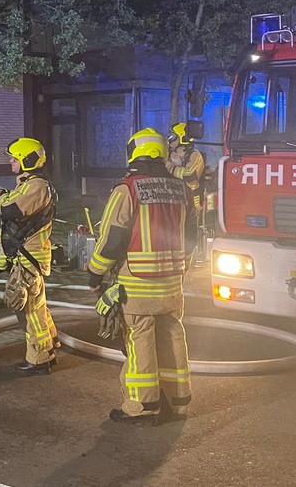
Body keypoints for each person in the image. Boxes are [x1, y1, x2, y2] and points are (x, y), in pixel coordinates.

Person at [88, 128, 195, 424]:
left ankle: (142, 406)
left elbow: (112, 238)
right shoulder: (182, 189)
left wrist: (94, 273)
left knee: (141, 341)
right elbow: (192, 237)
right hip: (172, 283)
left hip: (138, 284)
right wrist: (181, 267)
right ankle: (177, 401)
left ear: (134, 151)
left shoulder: (128, 189)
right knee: (172, 337)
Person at [0, 137, 58, 375]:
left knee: (30, 310)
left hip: (29, 257)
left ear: (27, 160)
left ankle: (39, 358)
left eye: (14, 158)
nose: (11, 162)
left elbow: (11, 210)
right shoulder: (30, 184)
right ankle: (49, 346)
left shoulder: (36, 186)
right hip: (28, 255)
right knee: (35, 306)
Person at [167, 122, 205, 212]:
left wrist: (170, 168)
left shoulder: (195, 155)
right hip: (176, 197)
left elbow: (189, 174)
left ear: (182, 138)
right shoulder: (171, 154)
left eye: (173, 136)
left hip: (192, 200)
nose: (170, 139)